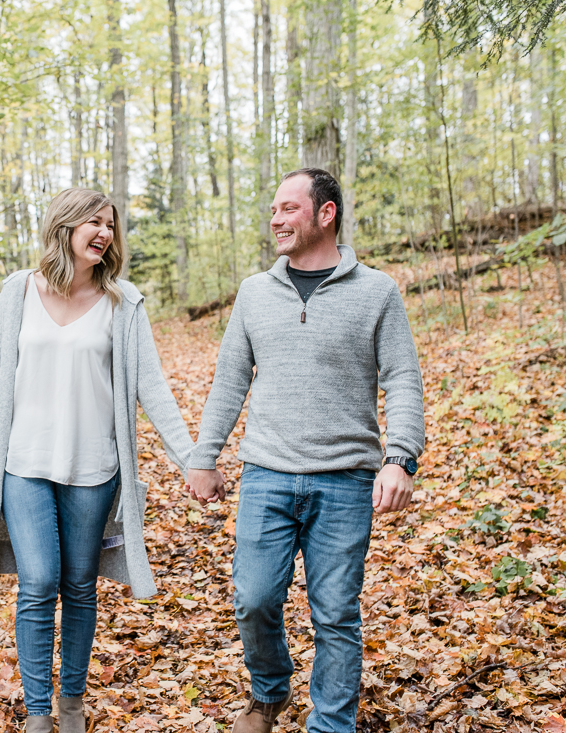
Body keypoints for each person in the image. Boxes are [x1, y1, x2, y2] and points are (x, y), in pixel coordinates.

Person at [185, 168, 425, 733]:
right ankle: (269, 694)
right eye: (273, 209)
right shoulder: (254, 292)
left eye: (288, 208)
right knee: (254, 599)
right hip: (267, 473)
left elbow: (404, 379)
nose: (275, 219)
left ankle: (331, 724)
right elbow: (229, 380)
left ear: (326, 214)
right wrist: (204, 454)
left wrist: (400, 457)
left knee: (336, 613)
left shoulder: (377, 291)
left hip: (345, 479)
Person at [0, 188, 199, 733]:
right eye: (94, 222)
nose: (104, 233)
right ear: (65, 226)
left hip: (94, 467)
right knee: (39, 581)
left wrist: (191, 458)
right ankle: (37, 713)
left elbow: (153, 387)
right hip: (22, 464)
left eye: (111, 226)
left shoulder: (123, 303)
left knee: (78, 583)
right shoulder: (17, 292)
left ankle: (71, 703)